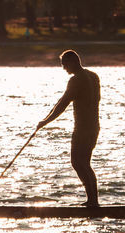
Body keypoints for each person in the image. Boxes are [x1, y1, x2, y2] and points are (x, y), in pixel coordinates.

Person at [37, 49, 101, 207]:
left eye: (65, 65)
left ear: (73, 62)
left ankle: (92, 201)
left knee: (78, 162)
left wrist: (45, 121)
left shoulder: (76, 80)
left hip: (83, 129)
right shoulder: (93, 76)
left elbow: (62, 104)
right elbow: (62, 101)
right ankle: (93, 201)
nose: (64, 68)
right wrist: (46, 119)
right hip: (94, 127)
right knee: (85, 162)